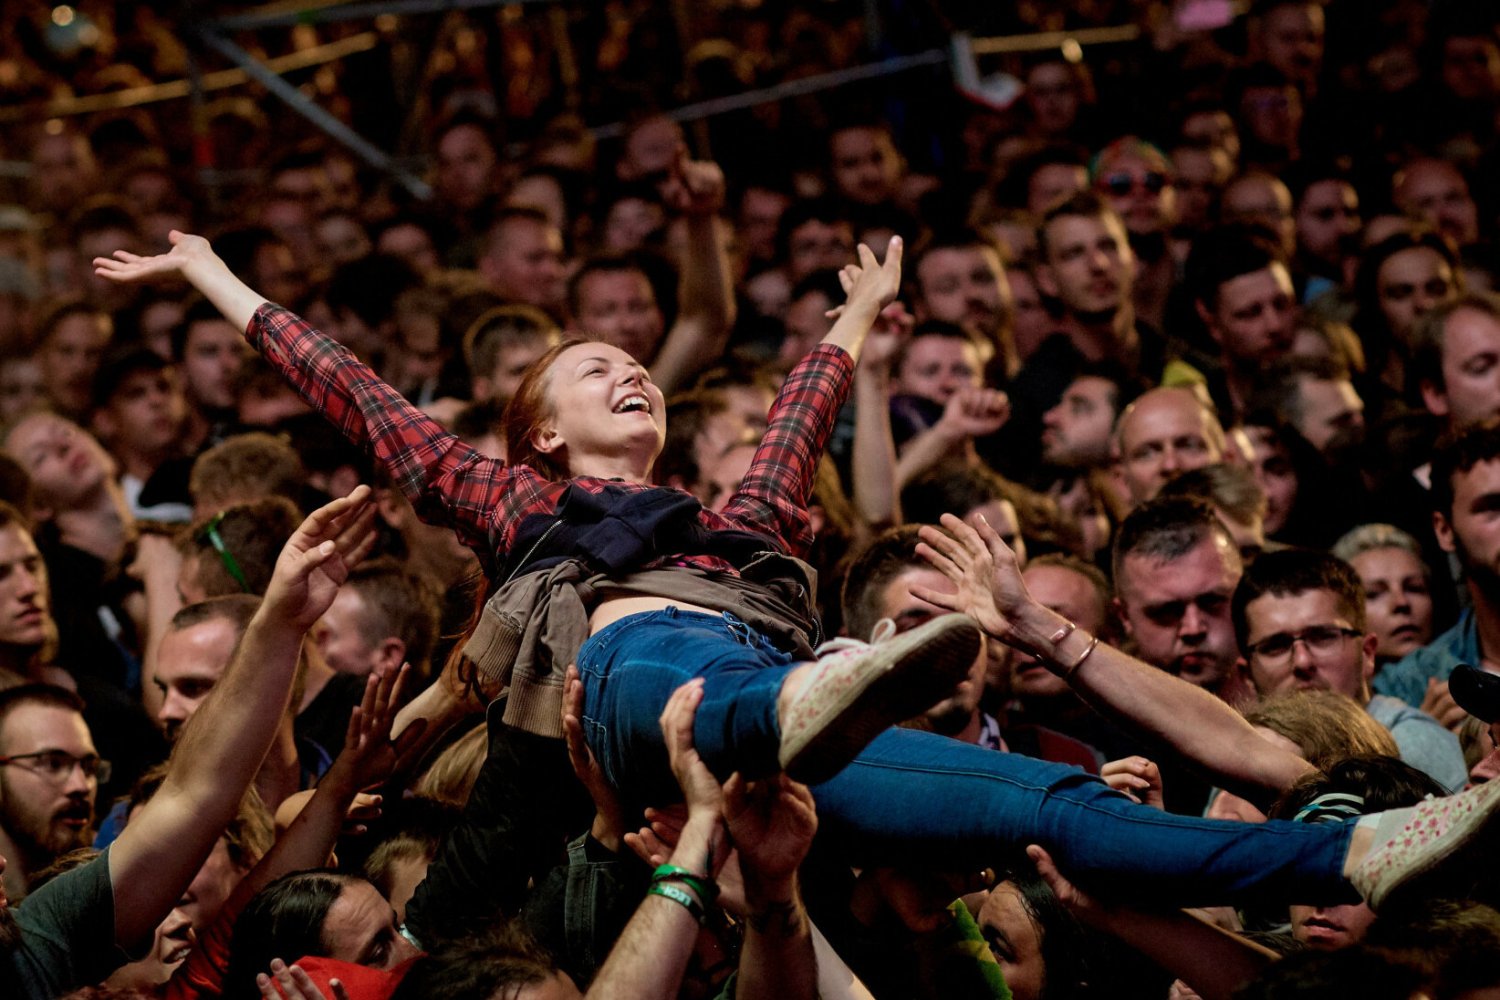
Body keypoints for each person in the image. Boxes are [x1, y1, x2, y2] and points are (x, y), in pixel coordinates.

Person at [94, 230, 1500, 920]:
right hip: (636, 698)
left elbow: (793, 422)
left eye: (632, 361)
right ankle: (811, 702)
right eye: (593, 369)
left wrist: (861, 319)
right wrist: (217, 274)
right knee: (682, 670)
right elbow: (364, 398)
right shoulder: (516, 500)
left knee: (1050, 808)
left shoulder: (744, 527)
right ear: (538, 429)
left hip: (789, 713)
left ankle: (1351, 849)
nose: (627, 368)